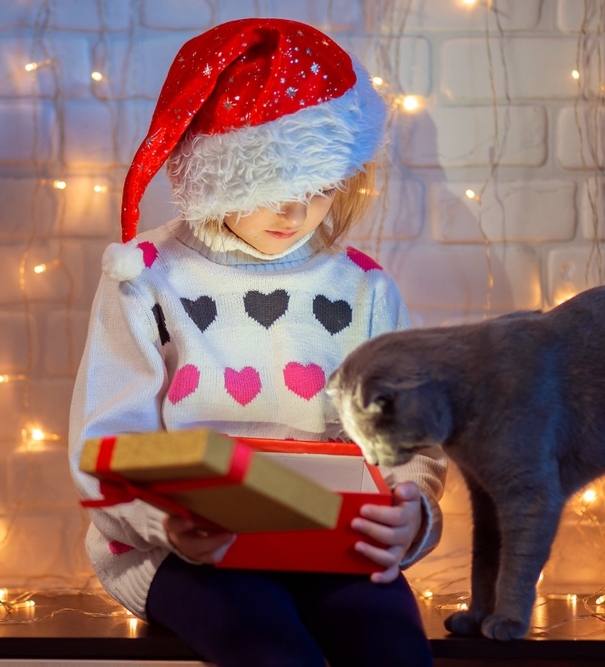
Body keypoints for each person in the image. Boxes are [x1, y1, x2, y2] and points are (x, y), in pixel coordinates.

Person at [68, 18, 447, 667]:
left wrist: (412, 515)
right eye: (269, 188)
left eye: (319, 187)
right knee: (269, 648)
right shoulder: (145, 276)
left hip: (333, 543)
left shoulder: (365, 288)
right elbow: (104, 444)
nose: (295, 214)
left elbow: (410, 440)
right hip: (184, 549)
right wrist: (168, 525)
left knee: (390, 647)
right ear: (218, 172)